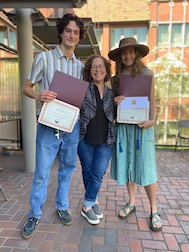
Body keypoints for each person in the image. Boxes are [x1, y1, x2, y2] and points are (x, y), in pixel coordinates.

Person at [21, 13, 86, 239]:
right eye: (68, 30)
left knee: (67, 169)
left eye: (76, 32)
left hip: (71, 127)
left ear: (79, 37)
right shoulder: (44, 59)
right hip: (48, 126)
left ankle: (61, 205)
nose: (71, 35)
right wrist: (39, 95)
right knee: (41, 172)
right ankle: (34, 213)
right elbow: (26, 88)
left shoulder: (80, 67)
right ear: (61, 32)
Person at [108, 37, 162, 231]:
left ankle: (154, 209)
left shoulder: (148, 74)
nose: (127, 55)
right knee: (128, 165)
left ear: (137, 54)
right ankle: (131, 202)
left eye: (131, 52)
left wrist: (153, 120)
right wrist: (115, 101)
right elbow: (111, 105)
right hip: (124, 129)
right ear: (119, 57)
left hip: (143, 127)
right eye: (124, 53)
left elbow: (153, 101)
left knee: (147, 168)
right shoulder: (115, 80)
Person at [78, 55, 115, 224]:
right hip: (84, 138)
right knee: (88, 172)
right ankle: (94, 201)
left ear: (106, 70)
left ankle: (86, 205)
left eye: (101, 66)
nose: (97, 69)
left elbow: (114, 116)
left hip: (104, 141)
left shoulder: (111, 94)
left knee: (98, 173)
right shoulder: (82, 89)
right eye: (94, 66)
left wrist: (119, 103)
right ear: (89, 70)